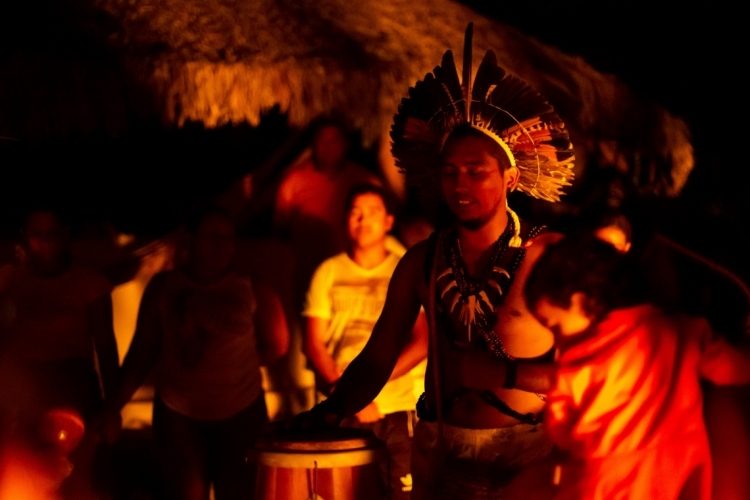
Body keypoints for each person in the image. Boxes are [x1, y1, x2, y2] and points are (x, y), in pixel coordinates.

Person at [292, 24, 577, 499]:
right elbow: (379, 356)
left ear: (509, 178)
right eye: (449, 173)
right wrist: (332, 409)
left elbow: (594, 372)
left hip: (526, 457)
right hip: (438, 450)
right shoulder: (422, 261)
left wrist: (505, 375)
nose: (460, 185)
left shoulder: (549, 258)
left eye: (475, 172)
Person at [521, 235, 750, 500]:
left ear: (581, 302)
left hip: (606, 483)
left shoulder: (579, 366)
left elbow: (559, 429)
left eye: (556, 328)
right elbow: (734, 370)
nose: (559, 341)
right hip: (678, 469)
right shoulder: (684, 332)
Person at [102, 206, 289, 500]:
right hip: (179, 415)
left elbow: (278, 344)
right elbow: (142, 351)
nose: (221, 243)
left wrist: (233, 365)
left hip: (241, 412)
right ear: (192, 239)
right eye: (212, 234)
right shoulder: (165, 287)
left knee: (240, 491)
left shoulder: (251, 286)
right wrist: (113, 406)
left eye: (228, 236)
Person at [303, 184, 428, 499]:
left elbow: (422, 341)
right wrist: (344, 393)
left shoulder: (407, 267)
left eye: (372, 212)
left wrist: (368, 386)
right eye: (356, 212)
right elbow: (314, 343)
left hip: (397, 405)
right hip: (343, 406)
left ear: (388, 220)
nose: (363, 220)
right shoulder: (328, 272)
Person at [0, 208, 118, 500]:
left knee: (76, 478)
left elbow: (105, 346)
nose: (44, 242)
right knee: (26, 474)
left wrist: (112, 406)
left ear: (64, 235)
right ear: (25, 238)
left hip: (74, 388)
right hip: (26, 389)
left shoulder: (88, 283)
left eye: (51, 234)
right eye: (36, 235)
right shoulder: (10, 281)